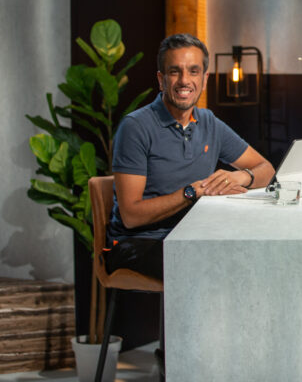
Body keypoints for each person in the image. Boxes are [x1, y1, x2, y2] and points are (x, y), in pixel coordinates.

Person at [106, 33, 275, 280]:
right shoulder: (136, 127)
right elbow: (130, 216)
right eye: (175, 72)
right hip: (136, 243)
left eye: (194, 71)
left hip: (192, 236)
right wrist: (192, 192)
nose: (184, 81)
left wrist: (239, 178)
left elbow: (266, 169)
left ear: (205, 79)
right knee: (215, 266)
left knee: (259, 252)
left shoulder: (209, 122)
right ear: (161, 80)